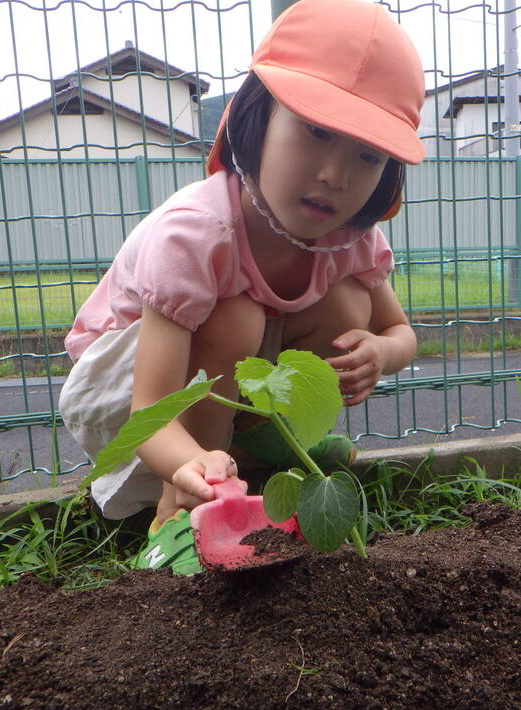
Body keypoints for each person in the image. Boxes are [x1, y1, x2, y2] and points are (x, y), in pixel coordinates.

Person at [59, 0, 425, 574]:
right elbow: (151, 407)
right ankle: (178, 510)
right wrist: (182, 464)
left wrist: (381, 351)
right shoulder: (198, 234)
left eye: (367, 154)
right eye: (316, 131)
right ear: (255, 115)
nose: (336, 175)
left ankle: (253, 446)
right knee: (236, 317)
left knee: (349, 303)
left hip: (216, 377)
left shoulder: (350, 234)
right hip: (121, 390)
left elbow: (400, 332)